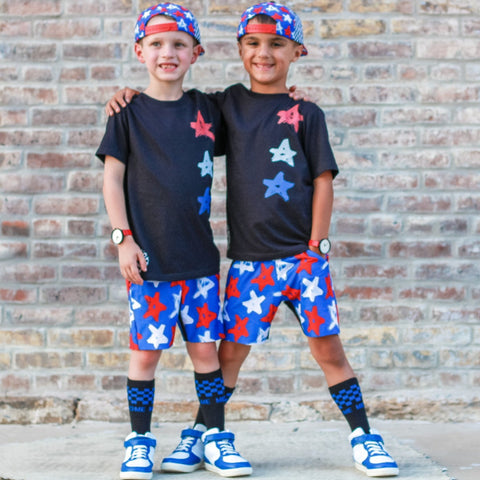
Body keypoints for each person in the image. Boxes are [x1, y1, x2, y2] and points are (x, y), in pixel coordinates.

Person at [106, 2, 399, 477]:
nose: (264, 53)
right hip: (249, 264)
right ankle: (203, 434)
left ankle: (364, 436)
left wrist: (317, 246)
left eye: (277, 44)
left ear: (297, 51)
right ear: (239, 50)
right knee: (226, 357)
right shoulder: (223, 107)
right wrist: (127, 97)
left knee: (328, 350)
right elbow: (169, 110)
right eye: (253, 44)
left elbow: (323, 180)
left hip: (304, 261)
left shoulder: (306, 113)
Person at [96, 4, 252, 479]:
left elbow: (260, 108)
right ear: (139, 51)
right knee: (145, 355)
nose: (168, 53)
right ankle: (139, 442)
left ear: (195, 53)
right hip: (148, 262)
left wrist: (294, 96)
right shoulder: (127, 113)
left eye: (179, 44)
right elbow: (112, 179)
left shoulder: (208, 109)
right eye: (157, 44)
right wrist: (123, 239)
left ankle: (215, 438)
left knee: (205, 354)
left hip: (199, 261)